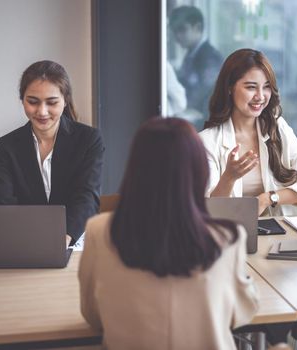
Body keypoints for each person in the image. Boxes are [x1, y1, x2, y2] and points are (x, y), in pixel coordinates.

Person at [78, 117, 258, 350]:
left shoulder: (98, 231)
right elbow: (242, 313)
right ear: (198, 170)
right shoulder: (227, 238)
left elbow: (92, 315)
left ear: (135, 169)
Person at [0, 60, 104, 244]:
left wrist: (60, 242)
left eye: (51, 102)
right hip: (23, 242)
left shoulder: (88, 140)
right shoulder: (6, 147)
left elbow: (86, 199)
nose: (42, 112)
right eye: (33, 102)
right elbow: (2, 203)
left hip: (73, 240)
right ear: (22, 100)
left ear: (65, 100)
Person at [200, 48, 297, 216]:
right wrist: (229, 177)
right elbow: (209, 209)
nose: (260, 96)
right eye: (251, 87)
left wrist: (268, 199)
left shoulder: (277, 127)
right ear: (229, 88)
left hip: (278, 234)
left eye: (266, 87)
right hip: (230, 236)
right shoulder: (206, 142)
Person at [169, 5, 223, 128]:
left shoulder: (210, 57)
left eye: (182, 30)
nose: (177, 36)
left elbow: (203, 92)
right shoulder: (191, 55)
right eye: (175, 31)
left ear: (197, 27)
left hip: (204, 123)